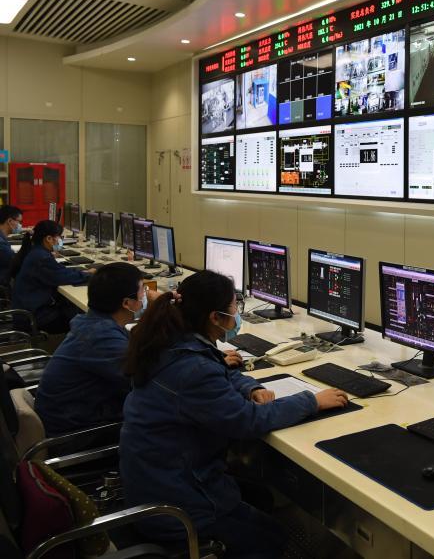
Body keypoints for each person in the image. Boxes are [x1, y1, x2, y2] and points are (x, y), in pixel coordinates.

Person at [120, 270, 348, 557]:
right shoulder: (192, 367)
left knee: (260, 496)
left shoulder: (170, 342)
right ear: (215, 317)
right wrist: (311, 401)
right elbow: (248, 420)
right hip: (177, 504)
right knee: (275, 539)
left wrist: (250, 387)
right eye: (234, 305)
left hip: (155, 481)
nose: (237, 312)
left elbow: (218, 371)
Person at [34, 262, 158, 437]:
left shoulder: (92, 322)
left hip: (71, 414)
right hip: (73, 434)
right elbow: (145, 379)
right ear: (126, 303)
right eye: (142, 291)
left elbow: (132, 352)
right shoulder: (100, 337)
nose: (145, 296)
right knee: (163, 416)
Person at [10, 220, 93, 333]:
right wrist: (88, 274)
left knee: (73, 308)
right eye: (59, 237)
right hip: (35, 317)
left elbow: (59, 271)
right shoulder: (41, 258)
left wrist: (82, 271)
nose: (60, 240)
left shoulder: (37, 251)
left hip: (29, 310)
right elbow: (62, 277)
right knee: (84, 318)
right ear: (49, 238)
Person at [0, 205, 24, 287]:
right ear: (10, 221)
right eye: (19, 222)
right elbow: (15, 263)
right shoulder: (2, 245)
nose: (20, 225)